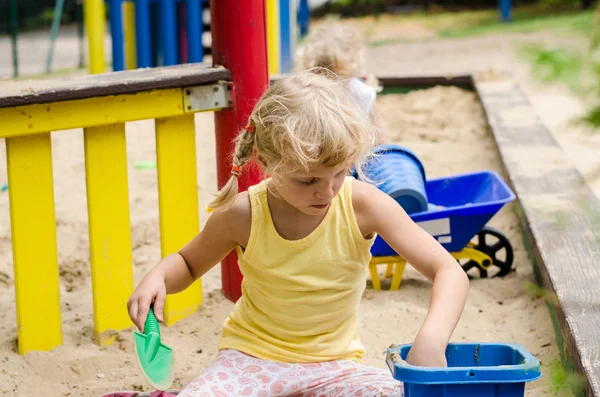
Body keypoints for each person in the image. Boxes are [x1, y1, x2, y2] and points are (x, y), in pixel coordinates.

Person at [126, 70, 469, 397]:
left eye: (339, 173)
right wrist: (158, 277)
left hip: (335, 367)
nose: (327, 192)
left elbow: (448, 270)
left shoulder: (363, 205)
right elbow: (188, 263)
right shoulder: (242, 214)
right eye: (308, 181)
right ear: (265, 160)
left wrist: (432, 338)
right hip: (250, 360)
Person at [296, 23, 390, 145]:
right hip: (355, 160)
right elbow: (380, 139)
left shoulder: (303, 90)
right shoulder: (363, 93)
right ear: (356, 58)